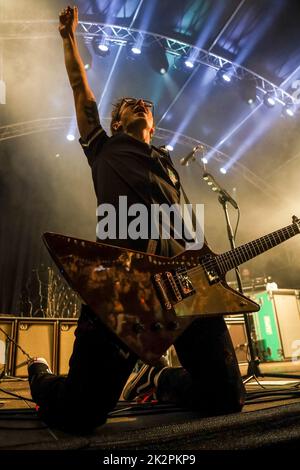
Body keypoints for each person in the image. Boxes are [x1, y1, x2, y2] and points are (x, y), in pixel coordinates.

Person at [28, 5, 245, 433]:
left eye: (146, 103)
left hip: (180, 285)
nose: (142, 104)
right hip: (123, 285)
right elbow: (80, 90)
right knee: (80, 414)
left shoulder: (166, 163)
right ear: (116, 120)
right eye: (131, 104)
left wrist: (203, 261)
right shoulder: (103, 148)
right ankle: (38, 373)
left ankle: (158, 378)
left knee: (226, 398)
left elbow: (184, 231)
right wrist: (68, 38)